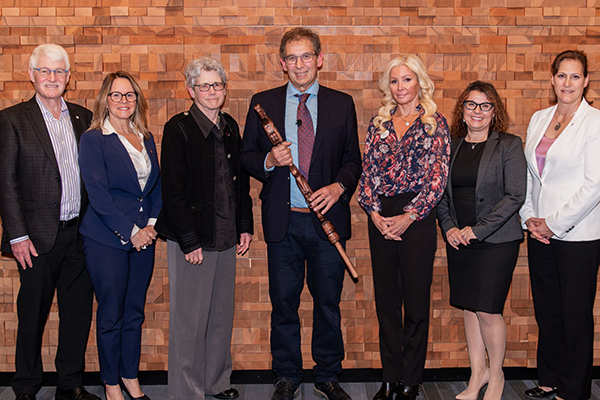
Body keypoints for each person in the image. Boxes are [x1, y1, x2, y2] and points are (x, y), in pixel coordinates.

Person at [241, 27, 361, 400]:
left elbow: (352, 160)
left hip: (327, 223)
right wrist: (268, 160)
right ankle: (287, 375)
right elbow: (246, 156)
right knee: (284, 304)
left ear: (319, 58)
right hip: (284, 222)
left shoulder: (342, 103)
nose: (299, 64)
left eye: (306, 56)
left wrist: (339, 188)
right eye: (291, 58)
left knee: (327, 303)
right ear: (282, 64)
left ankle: (327, 374)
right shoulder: (264, 102)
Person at [0, 44, 99, 400]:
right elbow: (6, 181)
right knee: (32, 316)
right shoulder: (12, 119)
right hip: (36, 239)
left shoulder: (84, 117)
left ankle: (69, 385)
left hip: (80, 235)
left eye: (59, 71)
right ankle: (25, 388)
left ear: (68, 77)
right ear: (32, 75)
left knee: (76, 315)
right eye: (45, 71)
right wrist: (17, 236)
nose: (52, 78)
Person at [155, 57, 253, 400]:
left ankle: (216, 383)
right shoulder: (178, 129)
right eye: (204, 85)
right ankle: (186, 392)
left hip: (226, 236)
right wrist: (188, 239)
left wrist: (244, 225)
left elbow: (238, 184)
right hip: (193, 240)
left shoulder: (230, 126)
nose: (212, 91)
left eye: (217, 85)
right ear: (190, 90)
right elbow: (173, 192)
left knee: (219, 316)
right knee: (190, 322)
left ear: (225, 90)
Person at [357, 54, 450, 400]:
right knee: (386, 303)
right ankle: (389, 378)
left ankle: (412, 380)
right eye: (394, 81)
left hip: (418, 218)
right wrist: (375, 214)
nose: (400, 87)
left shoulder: (434, 123)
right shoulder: (378, 124)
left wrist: (409, 216)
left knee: (415, 303)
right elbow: (367, 175)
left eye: (407, 80)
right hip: (381, 216)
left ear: (419, 82)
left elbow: (438, 179)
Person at [437, 81, 526, 400]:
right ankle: (477, 376)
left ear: (494, 111)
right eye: (471, 105)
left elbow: (515, 195)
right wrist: (448, 227)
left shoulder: (509, 145)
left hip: (496, 241)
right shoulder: (450, 145)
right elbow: (440, 194)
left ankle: (497, 375)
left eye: (485, 105)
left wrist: (477, 230)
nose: (477, 111)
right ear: (462, 110)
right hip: (458, 240)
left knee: (487, 309)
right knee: (469, 308)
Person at [520, 50, 600, 400]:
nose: (567, 83)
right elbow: (531, 177)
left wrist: (554, 224)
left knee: (575, 316)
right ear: (552, 79)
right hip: (538, 231)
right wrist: (528, 217)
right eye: (561, 76)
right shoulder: (539, 118)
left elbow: (594, 185)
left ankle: (573, 389)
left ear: (585, 82)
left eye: (575, 77)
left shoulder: (595, 122)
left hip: (577, 234)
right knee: (548, 311)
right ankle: (549, 379)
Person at [78, 71, 162, 400]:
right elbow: (98, 195)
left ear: (136, 100)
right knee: (111, 313)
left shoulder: (147, 137)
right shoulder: (94, 138)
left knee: (135, 312)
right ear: (105, 100)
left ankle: (130, 377)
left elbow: (155, 188)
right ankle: (111, 384)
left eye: (129, 95)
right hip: (106, 240)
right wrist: (131, 232)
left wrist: (152, 225)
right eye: (116, 95)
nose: (123, 101)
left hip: (145, 237)